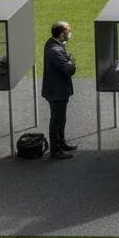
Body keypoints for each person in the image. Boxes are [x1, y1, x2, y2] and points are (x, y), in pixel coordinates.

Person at [42, 21, 77, 159]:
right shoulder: (55, 50)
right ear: (62, 34)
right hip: (57, 91)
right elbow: (69, 70)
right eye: (68, 31)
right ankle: (55, 150)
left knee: (61, 119)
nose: (70, 33)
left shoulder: (52, 44)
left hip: (57, 89)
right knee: (57, 120)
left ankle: (61, 143)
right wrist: (72, 63)